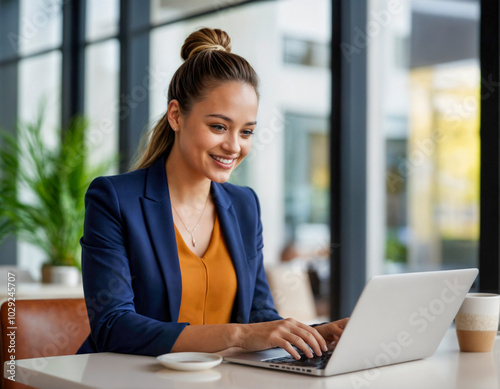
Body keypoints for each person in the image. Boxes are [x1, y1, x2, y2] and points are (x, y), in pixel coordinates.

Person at [77, 27, 348, 360]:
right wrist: (237, 334)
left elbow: (258, 315)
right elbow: (112, 326)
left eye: (246, 131)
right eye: (219, 126)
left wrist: (313, 334)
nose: (234, 146)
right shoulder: (114, 199)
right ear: (176, 115)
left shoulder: (244, 205)